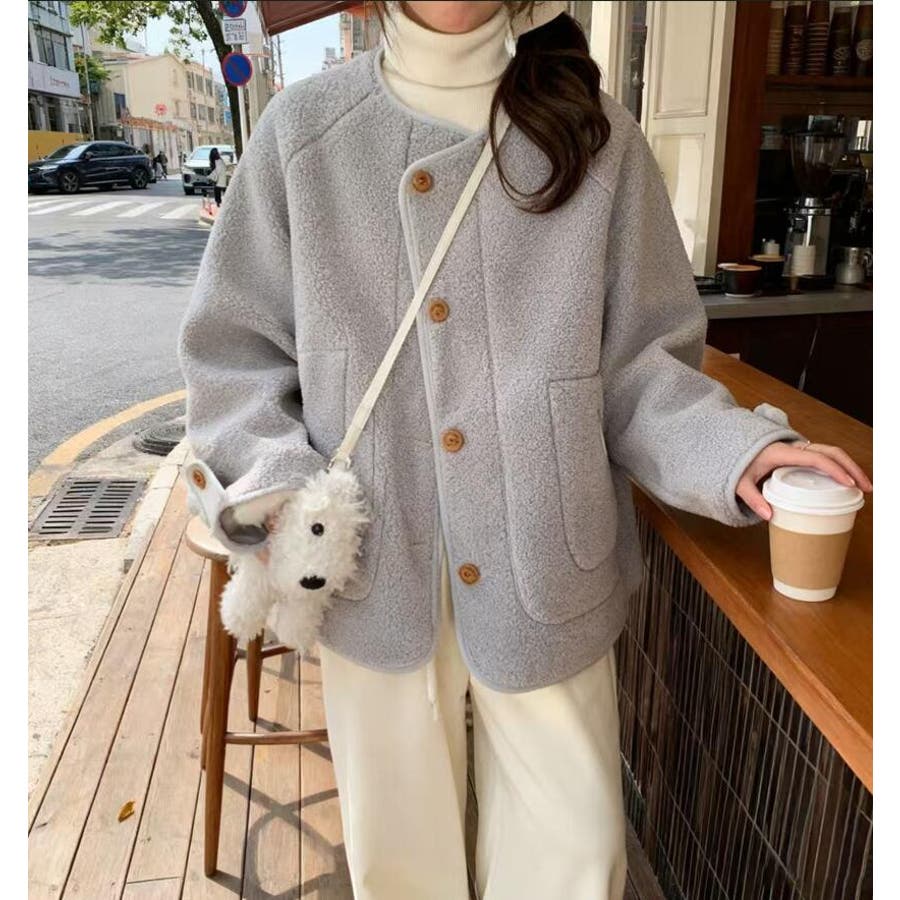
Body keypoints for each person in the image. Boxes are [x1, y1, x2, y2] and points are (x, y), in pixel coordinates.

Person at [177, 3, 873, 898]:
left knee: (576, 858)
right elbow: (233, 357)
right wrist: (278, 478)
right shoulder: (303, 135)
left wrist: (734, 448)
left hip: (548, 572)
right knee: (400, 872)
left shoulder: (594, 137)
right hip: (372, 573)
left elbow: (643, 367)